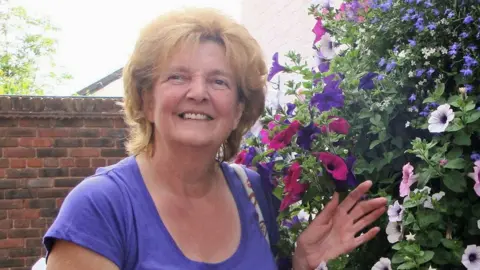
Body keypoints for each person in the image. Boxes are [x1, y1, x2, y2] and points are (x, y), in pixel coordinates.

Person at [43, 7, 387, 270]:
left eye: (219, 81)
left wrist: (301, 262)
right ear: (147, 101)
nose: (198, 93)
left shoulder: (253, 192)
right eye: (178, 77)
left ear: (238, 110)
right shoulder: (100, 208)